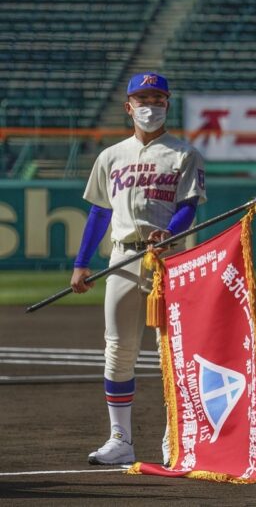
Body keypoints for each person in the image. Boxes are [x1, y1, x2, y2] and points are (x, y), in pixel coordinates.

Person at [70, 72, 207, 464]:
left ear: (168, 103)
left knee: (173, 349)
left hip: (170, 259)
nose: (151, 105)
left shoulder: (184, 153)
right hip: (123, 258)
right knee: (118, 349)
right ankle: (120, 439)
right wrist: (81, 263)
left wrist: (169, 232)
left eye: (158, 98)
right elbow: (99, 211)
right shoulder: (111, 155)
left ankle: (175, 439)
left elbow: (188, 205)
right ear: (128, 106)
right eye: (143, 98)